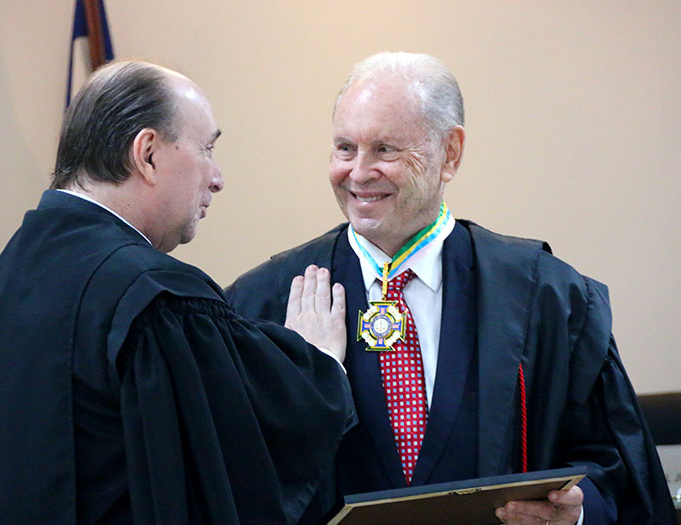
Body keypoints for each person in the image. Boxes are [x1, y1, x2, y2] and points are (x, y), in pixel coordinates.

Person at [225, 52, 675, 524]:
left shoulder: (545, 296)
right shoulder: (264, 304)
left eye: (385, 149)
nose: (358, 172)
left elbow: (617, 474)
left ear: (451, 152)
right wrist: (305, 387)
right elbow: (231, 486)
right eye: (344, 148)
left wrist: (579, 515)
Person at [0, 60, 354, 524]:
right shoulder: (153, 296)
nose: (217, 177)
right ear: (148, 154)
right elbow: (225, 465)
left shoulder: (7, 279)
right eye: (207, 149)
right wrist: (317, 366)